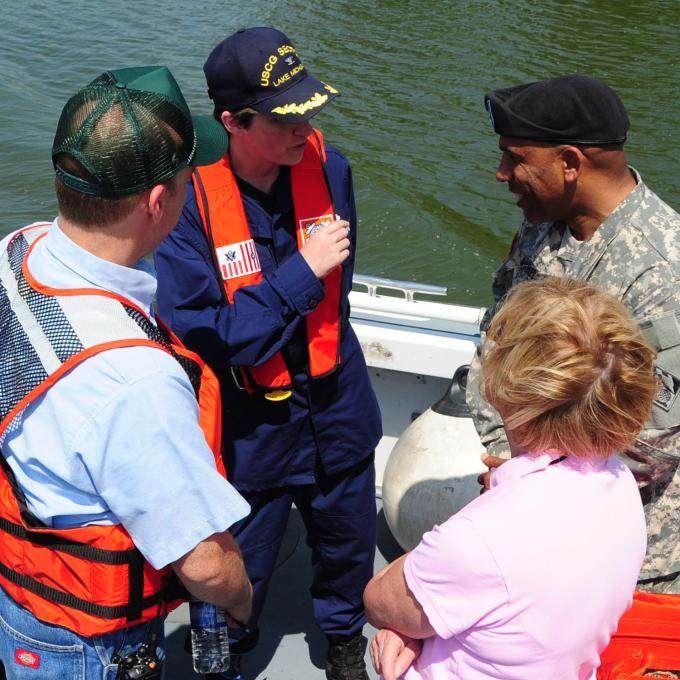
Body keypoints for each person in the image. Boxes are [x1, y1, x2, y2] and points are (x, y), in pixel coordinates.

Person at [0, 66, 252, 679]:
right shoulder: (132, 377)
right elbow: (204, 565)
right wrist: (241, 601)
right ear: (159, 200)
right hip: (86, 648)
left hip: (21, 596)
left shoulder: (19, 249)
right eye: (188, 175)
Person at [153, 27, 382, 680]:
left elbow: (330, 308)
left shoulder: (330, 168)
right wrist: (297, 276)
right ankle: (224, 655)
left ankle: (342, 643)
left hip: (337, 407)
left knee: (346, 546)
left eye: (308, 109)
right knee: (237, 564)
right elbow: (209, 334)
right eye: (284, 117)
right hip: (248, 432)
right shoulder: (188, 206)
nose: (302, 128)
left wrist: (298, 297)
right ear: (232, 120)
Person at [364, 276, 657, 680]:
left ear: (504, 389)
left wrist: (413, 632)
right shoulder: (622, 484)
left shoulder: (477, 541)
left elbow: (379, 601)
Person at [466, 74, 680, 594]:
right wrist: (511, 464)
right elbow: (497, 344)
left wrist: (527, 480)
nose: (501, 174)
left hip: (626, 549)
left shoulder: (663, 273)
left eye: (515, 158)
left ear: (569, 161)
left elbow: (653, 443)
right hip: (530, 504)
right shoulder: (545, 222)